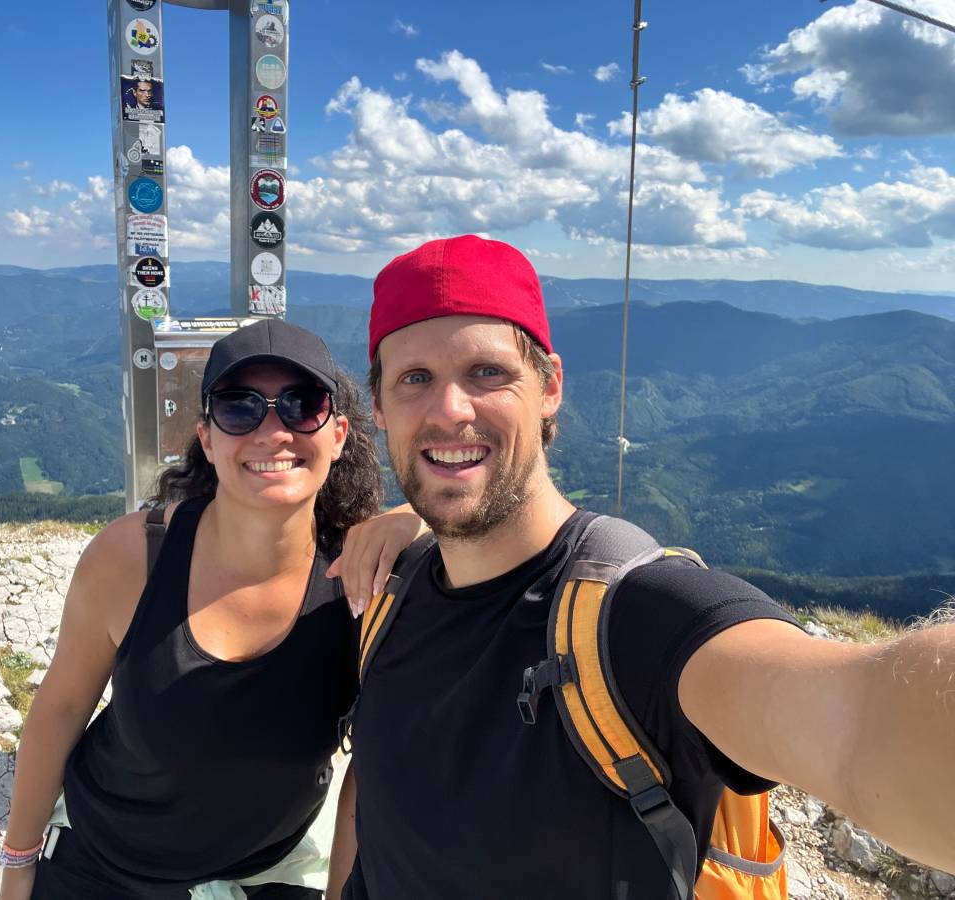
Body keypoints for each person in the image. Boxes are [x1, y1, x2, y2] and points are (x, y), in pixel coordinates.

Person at [326, 235, 955, 899]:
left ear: (550, 387)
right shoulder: (386, 596)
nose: (450, 409)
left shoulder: (641, 620)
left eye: (487, 373)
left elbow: (860, 724)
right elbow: (372, 797)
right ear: (377, 409)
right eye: (414, 379)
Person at [0, 319, 423, 899]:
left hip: (268, 877)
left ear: (339, 433)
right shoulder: (133, 557)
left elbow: (372, 768)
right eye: (239, 407)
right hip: (102, 865)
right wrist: (19, 864)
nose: (272, 430)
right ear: (206, 436)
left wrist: (416, 518)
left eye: (301, 405)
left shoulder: (363, 576)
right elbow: (61, 707)